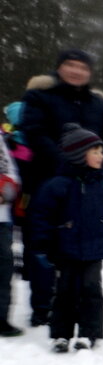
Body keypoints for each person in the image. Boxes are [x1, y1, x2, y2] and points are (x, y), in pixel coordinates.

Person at [19, 49, 103, 325]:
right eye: (70, 65)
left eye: (82, 67)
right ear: (59, 68)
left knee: (82, 244)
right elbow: (34, 133)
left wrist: (99, 165)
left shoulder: (98, 103)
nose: (76, 71)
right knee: (44, 242)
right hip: (48, 180)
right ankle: (42, 305)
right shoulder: (41, 97)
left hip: (89, 186)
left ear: (89, 73)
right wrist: (65, 162)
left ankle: (77, 301)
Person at [27, 124, 103, 351]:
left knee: (91, 290)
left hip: (95, 248)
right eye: (95, 152)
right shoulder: (58, 185)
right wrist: (42, 246)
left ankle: (89, 333)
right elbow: (41, 217)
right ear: (79, 155)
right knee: (65, 292)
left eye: (101, 151)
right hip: (65, 248)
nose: (102, 156)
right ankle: (61, 334)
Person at [0, 134, 21, 336]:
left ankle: (2, 319)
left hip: (2, 219)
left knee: (4, 270)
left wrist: (5, 190)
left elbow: (12, 173)